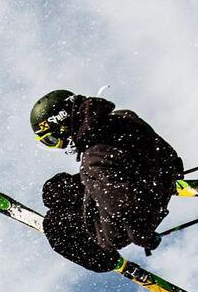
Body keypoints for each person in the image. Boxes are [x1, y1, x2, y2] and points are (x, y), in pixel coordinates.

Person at [28, 90, 180, 274]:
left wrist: (143, 236)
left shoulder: (92, 161)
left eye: (52, 140)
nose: (59, 146)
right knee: (56, 189)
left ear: (61, 126)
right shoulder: (123, 118)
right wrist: (172, 169)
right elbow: (159, 145)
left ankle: (107, 260)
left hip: (130, 220)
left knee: (55, 224)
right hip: (156, 178)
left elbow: (123, 206)